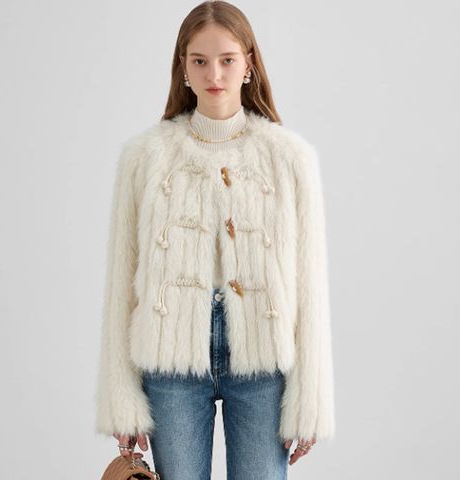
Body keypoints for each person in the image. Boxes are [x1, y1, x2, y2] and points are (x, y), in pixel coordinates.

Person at [94, 1, 335, 478]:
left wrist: (310, 399)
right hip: (170, 358)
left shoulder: (289, 158)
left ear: (249, 64)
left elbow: (309, 282)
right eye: (200, 60)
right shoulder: (145, 158)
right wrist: (121, 398)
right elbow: (122, 280)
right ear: (183, 67)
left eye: (227, 59)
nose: (214, 74)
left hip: (264, 359)